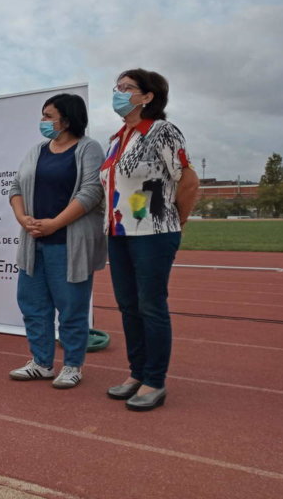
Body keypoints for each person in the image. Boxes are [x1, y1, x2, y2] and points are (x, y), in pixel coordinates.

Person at [100, 69, 199, 411]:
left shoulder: (162, 131)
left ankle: (155, 380)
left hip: (154, 233)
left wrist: (177, 222)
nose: (119, 92)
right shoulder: (116, 138)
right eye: (117, 87)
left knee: (151, 306)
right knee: (128, 306)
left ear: (148, 96)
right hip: (119, 233)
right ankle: (137, 372)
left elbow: (187, 180)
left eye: (127, 88)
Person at [8, 94, 106, 389]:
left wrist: (54, 224)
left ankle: (73, 365)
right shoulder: (37, 150)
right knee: (32, 304)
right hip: (33, 241)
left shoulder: (89, 148)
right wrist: (22, 218)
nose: (43, 122)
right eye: (43, 116)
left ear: (67, 118)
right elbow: (15, 186)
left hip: (69, 242)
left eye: (48, 116)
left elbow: (91, 192)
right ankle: (41, 363)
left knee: (71, 307)